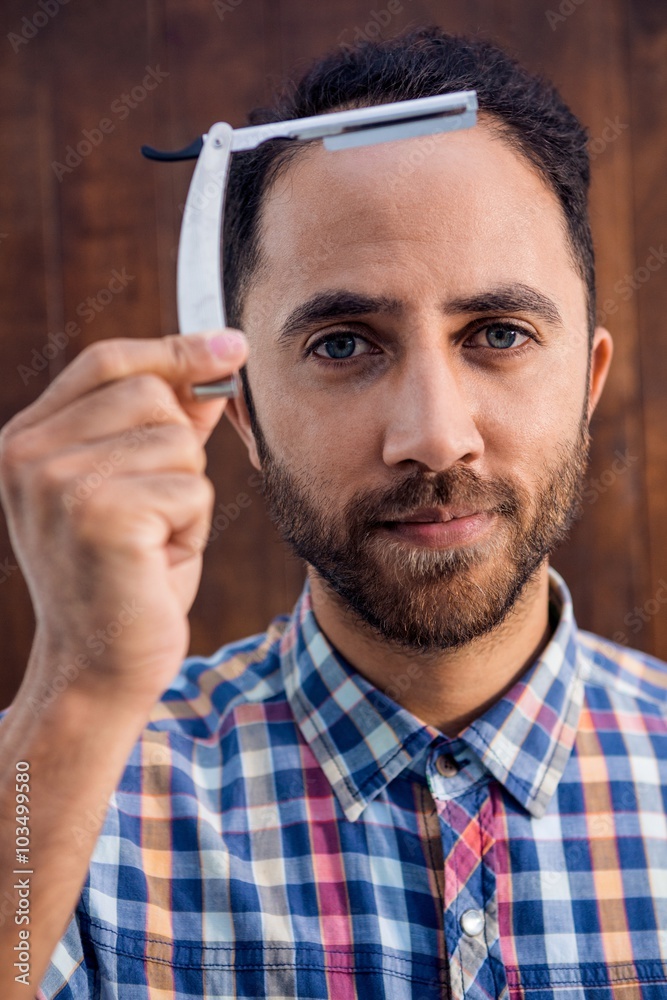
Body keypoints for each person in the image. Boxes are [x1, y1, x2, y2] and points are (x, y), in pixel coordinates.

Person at [0, 23, 665, 1000]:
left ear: (588, 382)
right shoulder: (63, 792)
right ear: (242, 412)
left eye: (497, 333)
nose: (433, 438)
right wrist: (76, 695)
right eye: (343, 345)